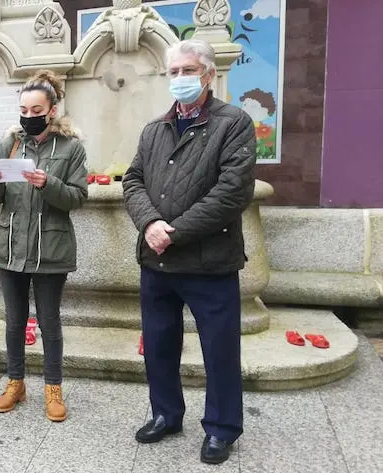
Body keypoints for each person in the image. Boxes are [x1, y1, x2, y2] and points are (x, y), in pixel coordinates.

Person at [122, 39, 257, 465]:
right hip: (157, 261)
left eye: (188, 70)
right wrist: (149, 224)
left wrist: (174, 231)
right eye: (173, 72)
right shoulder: (154, 129)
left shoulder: (233, 123)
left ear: (208, 74)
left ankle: (221, 428)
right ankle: (166, 413)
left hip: (209, 262)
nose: (179, 79)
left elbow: (232, 193)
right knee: (160, 345)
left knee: (219, 349)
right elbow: (133, 181)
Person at [0, 70, 88, 422]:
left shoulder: (71, 147)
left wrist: (48, 183)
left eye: (36, 110)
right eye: (24, 110)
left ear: (52, 110)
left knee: (49, 322)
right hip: (12, 248)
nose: (29, 117)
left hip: (51, 251)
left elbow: (77, 198)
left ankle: (53, 388)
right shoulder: (9, 144)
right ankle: (16, 383)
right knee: (14, 322)